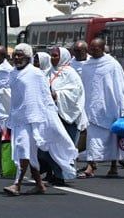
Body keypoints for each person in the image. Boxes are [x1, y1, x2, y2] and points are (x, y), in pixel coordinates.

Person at [3, 44, 78, 196]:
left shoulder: (36, 73)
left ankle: (17, 184)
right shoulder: (12, 73)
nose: (17, 58)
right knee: (28, 152)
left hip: (33, 119)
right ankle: (39, 185)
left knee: (23, 149)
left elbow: (44, 96)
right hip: (19, 118)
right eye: (15, 55)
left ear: (28, 58)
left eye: (20, 55)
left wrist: (47, 117)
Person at [78, 37, 124, 178]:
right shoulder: (87, 65)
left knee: (113, 138)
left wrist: (123, 109)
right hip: (92, 108)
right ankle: (91, 166)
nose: (93, 51)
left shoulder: (112, 64)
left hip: (110, 106)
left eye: (96, 49)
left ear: (102, 49)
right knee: (92, 138)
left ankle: (114, 166)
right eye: (91, 49)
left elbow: (121, 87)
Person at [40, 46, 86, 185]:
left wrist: (57, 95)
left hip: (67, 116)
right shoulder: (48, 72)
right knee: (50, 146)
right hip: (52, 116)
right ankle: (53, 172)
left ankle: (62, 175)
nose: (53, 58)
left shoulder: (70, 73)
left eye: (55, 56)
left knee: (64, 147)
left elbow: (75, 93)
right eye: (51, 56)